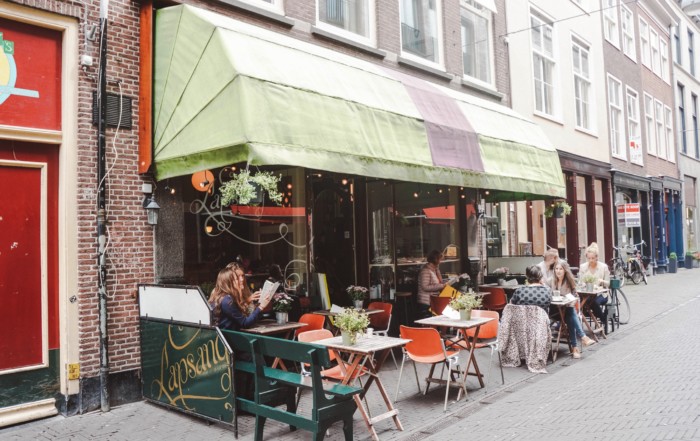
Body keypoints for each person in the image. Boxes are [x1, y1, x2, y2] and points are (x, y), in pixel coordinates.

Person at [550, 260, 595, 359]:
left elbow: (574, 295)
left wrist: (571, 300)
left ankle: (575, 347)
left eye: (560, 269)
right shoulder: (551, 281)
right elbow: (549, 294)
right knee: (571, 314)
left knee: (570, 314)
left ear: (565, 270)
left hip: (567, 309)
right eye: (556, 269)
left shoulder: (569, 281)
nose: (558, 271)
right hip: (556, 311)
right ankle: (582, 338)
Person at [209, 262, 271, 331]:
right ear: (229, 282)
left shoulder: (225, 297)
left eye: (242, 276)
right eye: (237, 278)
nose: (241, 280)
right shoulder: (227, 300)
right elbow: (244, 323)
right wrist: (261, 306)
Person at [578, 242, 610, 325]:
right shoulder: (583, 267)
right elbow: (580, 282)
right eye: (589, 258)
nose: (591, 260)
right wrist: (583, 284)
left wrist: (602, 281)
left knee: (593, 302)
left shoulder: (603, 267)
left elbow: (608, 283)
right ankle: (588, 316)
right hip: (586, 294)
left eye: (593, 258)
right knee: (580, 302)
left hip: (601, 294)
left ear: (597, 257)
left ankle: (603, 319)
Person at [417, 250, 447, 318]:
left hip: (434, 300)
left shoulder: (434, 270)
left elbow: (440, 281)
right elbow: (425, 287)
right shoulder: (425, 271)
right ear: (436, 260)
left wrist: (437, 270)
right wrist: (441, 286)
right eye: (440, 259)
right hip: (426, 301)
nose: (441, 262)